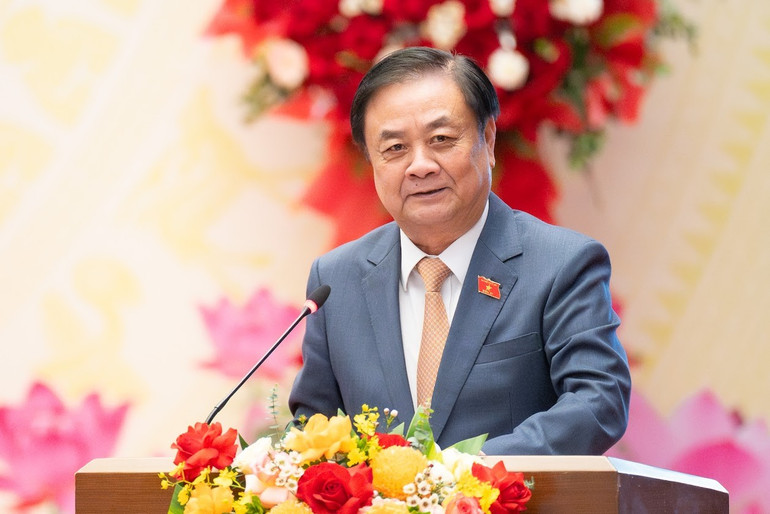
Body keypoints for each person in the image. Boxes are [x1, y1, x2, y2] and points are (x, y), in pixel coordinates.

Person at [288, 46, 631, 455]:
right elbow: (314, 429)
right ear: (371, 161)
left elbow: (597, 401)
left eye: (441, 139)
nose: (420, 165)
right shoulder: (336, 278)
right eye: (395, 148)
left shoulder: (561, 264)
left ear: (487, 140)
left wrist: (461, 477)